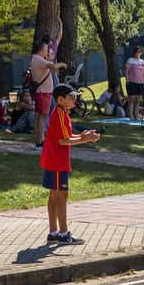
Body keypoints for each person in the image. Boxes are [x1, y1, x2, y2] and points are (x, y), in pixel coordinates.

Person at [42, 84, 100, 245]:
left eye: (74, 97)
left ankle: (53, 232)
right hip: (57, 161)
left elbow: (65, 135)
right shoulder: (60, 113)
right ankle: (63, 234)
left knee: (54, 195)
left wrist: (82, 136)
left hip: (52, 159)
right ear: (60, 99)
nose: (74, 100)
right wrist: (83, 139)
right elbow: (63, 140)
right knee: (62, 195)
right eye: (70, 97)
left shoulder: (60, 113)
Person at [32, 41, 67, 150]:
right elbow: (53, 65)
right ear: (41, 50)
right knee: (42, 116)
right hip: (43, 92)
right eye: (46, 50)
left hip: (42, 92)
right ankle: (40, 142)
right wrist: (62, 64)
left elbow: (49, 71)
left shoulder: (37, 60)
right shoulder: (38, 59)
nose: (47, 52)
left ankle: (39, 141)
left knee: (39, 116)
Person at [125, 46, 144, 120]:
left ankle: (136, 115)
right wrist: (128, 80)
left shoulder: (143, 62)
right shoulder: (131, 60)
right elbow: (126, 70)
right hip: (132, 82)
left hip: (140, 83)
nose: (138, 53)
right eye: (136, 52)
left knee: (137, 101)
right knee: (131, 100)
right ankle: (131, 115)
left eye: (139, 52)